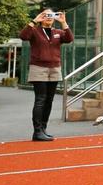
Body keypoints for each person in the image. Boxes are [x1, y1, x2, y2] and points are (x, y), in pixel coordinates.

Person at [19, 9, 73, 141]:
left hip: (54, 68)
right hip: (39, 68)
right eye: (46, 15)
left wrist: (64, 22)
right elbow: (23, 36)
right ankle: (37, 131)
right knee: (41, 99)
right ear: (41, 17)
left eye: (51, 15)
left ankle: (43, 129)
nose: (49, 17)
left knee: (49, 100)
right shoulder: (35, 31)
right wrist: (34, 21)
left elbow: (69, 38)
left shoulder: (58, 32)